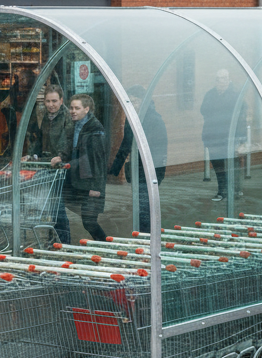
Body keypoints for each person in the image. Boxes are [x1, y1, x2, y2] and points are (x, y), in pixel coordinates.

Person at [108, 88, 168, 233]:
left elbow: (160, 148)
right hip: (137, 169)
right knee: (140, 206)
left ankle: (148, 237)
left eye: (134, 101)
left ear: (142, 101)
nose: (131, 104)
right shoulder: (133, 117)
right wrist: (115, 168)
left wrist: (157, 174)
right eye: (129, 101)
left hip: (149, 170)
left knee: (144, 207)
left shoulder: (154, 119)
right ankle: (144, 235)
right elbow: (126, 143)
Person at [30, 84, 73, 243]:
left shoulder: (66, 117)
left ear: (61, 100)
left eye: (54, 101)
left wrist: (61, 156)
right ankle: (55, 239)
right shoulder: (45, 117)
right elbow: (40, 139)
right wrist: (32, 154)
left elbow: (68, 140)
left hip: (59, 168)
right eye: (48, 101)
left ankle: (65, 243)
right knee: (51, 207)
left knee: (57, 207)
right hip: (48, 166)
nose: (51, 104)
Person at [62, 93, 108, 241]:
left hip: (90, 182)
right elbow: (72, 148)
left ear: (86, 109)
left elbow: (97, 160)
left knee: (89, 221)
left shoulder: (95, 129)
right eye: (71, 108)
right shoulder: (76, 125)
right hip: (78, 180)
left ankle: (105, 245)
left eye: (77, 108)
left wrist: (97, 188)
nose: (73, 111)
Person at [201, 69, 246, 201]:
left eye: (224, 78)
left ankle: (236, 190)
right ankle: (222, 191)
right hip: (213, 137)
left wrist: (242, 139)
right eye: (219, 79)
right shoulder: (210, 95)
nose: (221, 81)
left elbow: (241, 118)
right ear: (215, 81)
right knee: (218, 166)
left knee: (233, 164)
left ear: (228, 79)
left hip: (230, 137)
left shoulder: (236, 96)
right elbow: (203, 110)